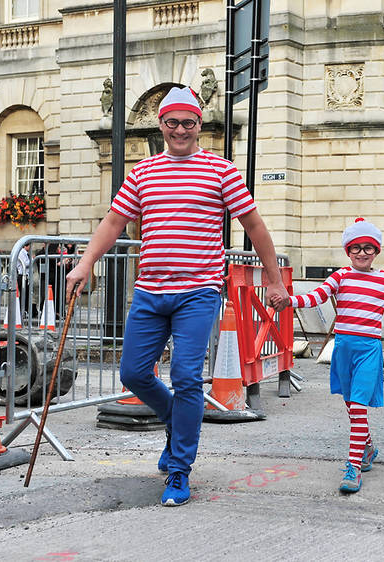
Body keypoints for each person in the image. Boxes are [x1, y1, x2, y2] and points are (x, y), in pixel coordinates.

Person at [66, 86, 288, 507]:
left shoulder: (222, 171)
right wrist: (86, 262)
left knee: (187, 378)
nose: (180, 130)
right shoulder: (143, 172)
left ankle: (179, 468)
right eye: (172, 122)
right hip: (150, 291)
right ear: (162, 124)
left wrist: (274, 280)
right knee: (132, 374)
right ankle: (175, 418)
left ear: (199, 125)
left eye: (188, 123)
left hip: (198, 291)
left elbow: (255, 227)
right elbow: (114, 222)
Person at [271, 218, 384, 494]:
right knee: (351, 406)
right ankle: (368, 448)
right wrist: (290, 300)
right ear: (348, 251)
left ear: (376, 252)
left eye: (368, 248)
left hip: (368, 350)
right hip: (344, 349)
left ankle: (354, 467)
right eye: (356, 248)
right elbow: (316, 296)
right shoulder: (341, 276)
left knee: (358, 406)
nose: (362, 253)